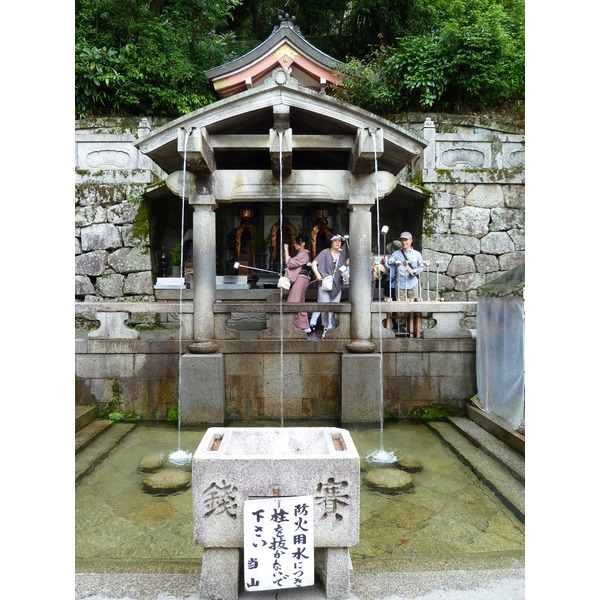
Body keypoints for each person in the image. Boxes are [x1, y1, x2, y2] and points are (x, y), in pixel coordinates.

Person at [309, 233, 347, 335]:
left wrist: (346, 275)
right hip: (324, 283)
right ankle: (325, 329)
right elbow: (314, 263)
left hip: (337, 284)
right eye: (335, 240)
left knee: (335, 307)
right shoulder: (325, 252)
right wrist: (317, 274)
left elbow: (342, 271)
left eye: (339, 241)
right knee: (324, 307)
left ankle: (333, 328)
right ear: (331, 242)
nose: (338, 242)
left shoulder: (343, 256)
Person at [283, 235, 312, 333]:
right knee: (300, 302)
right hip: (303, 279)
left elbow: (290, 263)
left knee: (293, 301)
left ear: (303, 243)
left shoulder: (303, 253)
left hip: (300, 278)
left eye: (296, 242)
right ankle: (304, 325)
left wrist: (286, 250)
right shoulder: (302, 253)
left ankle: (291, 325)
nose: (294, 244)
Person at [389, 231, 423, 300]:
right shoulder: (396, 254)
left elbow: (421, 267)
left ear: (411, 241)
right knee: (400, 307)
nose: (404, 242)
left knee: (413, 308)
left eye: (406, 240)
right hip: (400, 285)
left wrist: (414, 271)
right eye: (402, 240)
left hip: (413, 284)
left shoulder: (417, 254)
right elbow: (390, 261)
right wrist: (386, 262)